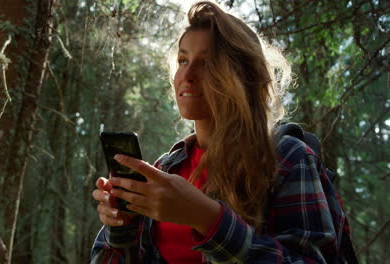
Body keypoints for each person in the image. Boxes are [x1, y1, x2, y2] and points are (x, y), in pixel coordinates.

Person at [91, 1, 348, 263]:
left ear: (243, 75)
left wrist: (208, 219)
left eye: (208, 62)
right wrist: (121, 228)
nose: (187, 74)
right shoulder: (166, 170)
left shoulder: (287, 158)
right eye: (182, 60)